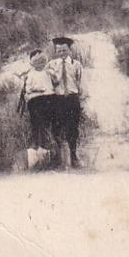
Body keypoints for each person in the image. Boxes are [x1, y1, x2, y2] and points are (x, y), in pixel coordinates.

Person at [47, 35, 84, 168]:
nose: (62, 53)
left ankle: (73, 156)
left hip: (72, 99)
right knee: (56, 128)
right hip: (57, 100)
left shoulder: (76, 64)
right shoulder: (51, 65)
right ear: (56, 52)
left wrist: (80, 95)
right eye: (59, 51)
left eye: (64, 50)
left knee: (73, 128)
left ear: (70, 50)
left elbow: (79, 82)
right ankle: (59, 157)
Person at [21, 49, 56, 154]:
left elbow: (55, 83)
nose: (40, 64)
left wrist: (53, 76)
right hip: (36, 100)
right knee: (37, 123)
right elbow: (28, 89)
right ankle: (38, 145)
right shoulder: (31, 74)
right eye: (37, 62)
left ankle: (49, 146)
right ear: (33, 64)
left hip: (49, 99)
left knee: (47, 123)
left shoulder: (48, 72)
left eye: (42, 62)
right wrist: (37, 90)